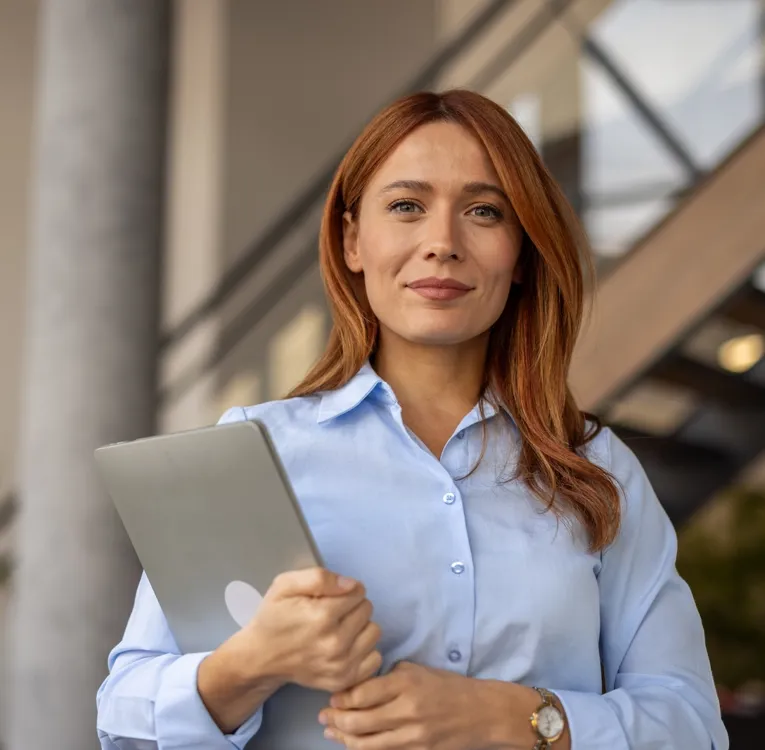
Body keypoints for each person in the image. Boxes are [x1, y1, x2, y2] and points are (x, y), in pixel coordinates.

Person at [96, 89, 728, 750]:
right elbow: (122, 718)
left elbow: (691, 725)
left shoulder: (594, 468)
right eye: (405, 206)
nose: (441, 243)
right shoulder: (253, 449)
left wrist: (513, 718)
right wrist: (248, 666)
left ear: (520, 255)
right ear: (351, 241)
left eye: (484, 212)